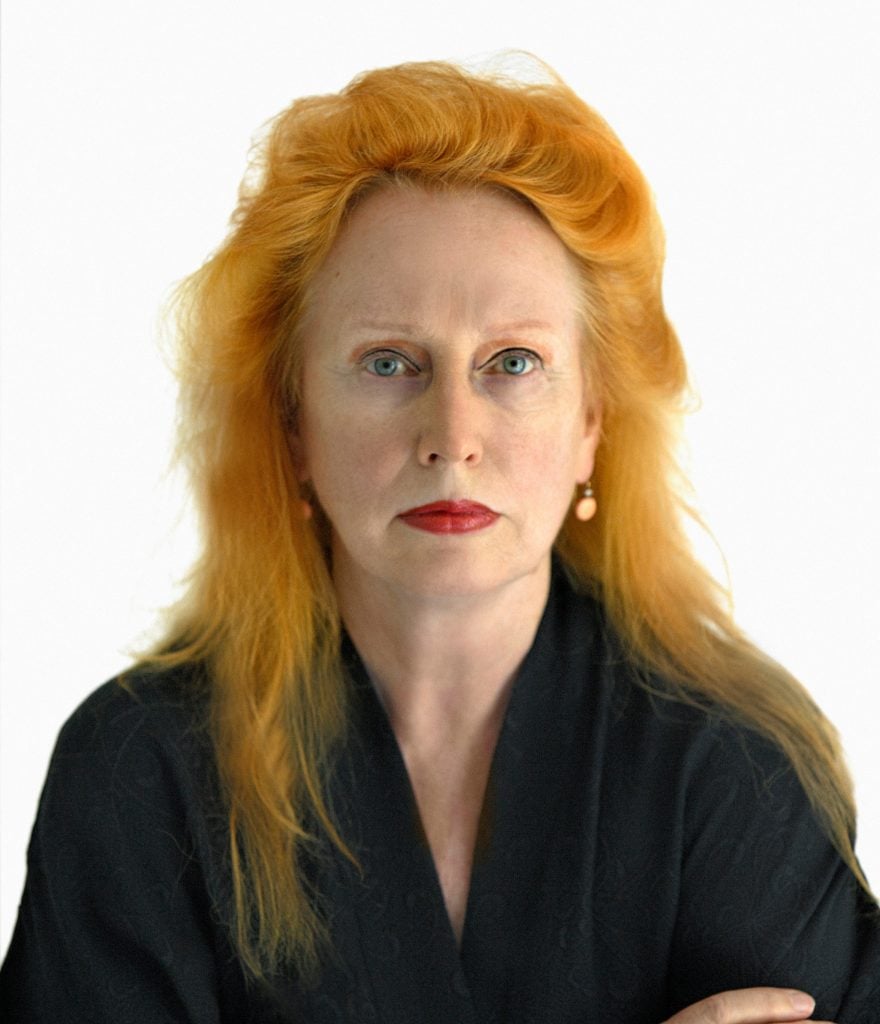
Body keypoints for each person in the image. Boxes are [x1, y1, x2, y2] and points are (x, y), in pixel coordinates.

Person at [1, 57, 878, 1023]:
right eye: (388, 362)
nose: (451, 436)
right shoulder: (137, 768)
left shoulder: (736, 763)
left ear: (592, 420)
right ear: (292, 424)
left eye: (513, 361)